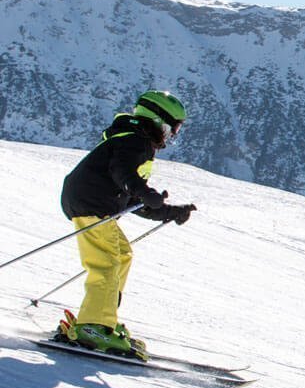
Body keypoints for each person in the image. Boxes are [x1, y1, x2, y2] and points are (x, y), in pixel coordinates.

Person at [55, 89, 198, 359]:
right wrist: (146, 192)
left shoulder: (134, 142)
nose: (172, 135)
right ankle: (94, 326)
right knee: (106, 263)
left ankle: (102, 318)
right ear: (157, 121)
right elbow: (122, 174)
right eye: (171, 128)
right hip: (92, 203)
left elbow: (133, 197)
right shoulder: (135, 141)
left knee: (122, 255)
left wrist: (168, 211)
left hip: (92, 203)